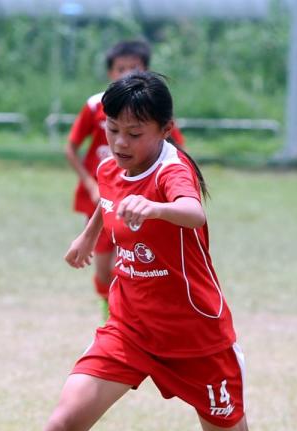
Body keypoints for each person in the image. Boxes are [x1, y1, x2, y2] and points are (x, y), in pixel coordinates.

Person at [0, 71, 297, 431]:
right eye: (113, 130)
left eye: (135, 133)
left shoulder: (173, 170)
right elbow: (109, 199)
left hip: (198, 342)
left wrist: (154, 207)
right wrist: (88, 237)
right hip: (129, 331)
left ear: (164, 130)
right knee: (60, 427)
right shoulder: (112, 166)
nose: (121, 143)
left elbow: (192, 210)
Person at [65, 40, 185, 319]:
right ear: (110, 73)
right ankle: (111, 313)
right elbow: (71, 148)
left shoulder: (152, 111)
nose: (121, 141)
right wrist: (91, 186)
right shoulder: (97, 107)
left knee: (135, 266)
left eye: (134, 67)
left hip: (141, 202)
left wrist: (159, 201)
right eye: (121, 68)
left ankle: (125, 319)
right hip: (104, 200)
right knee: (104, 267)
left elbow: (194, 209)